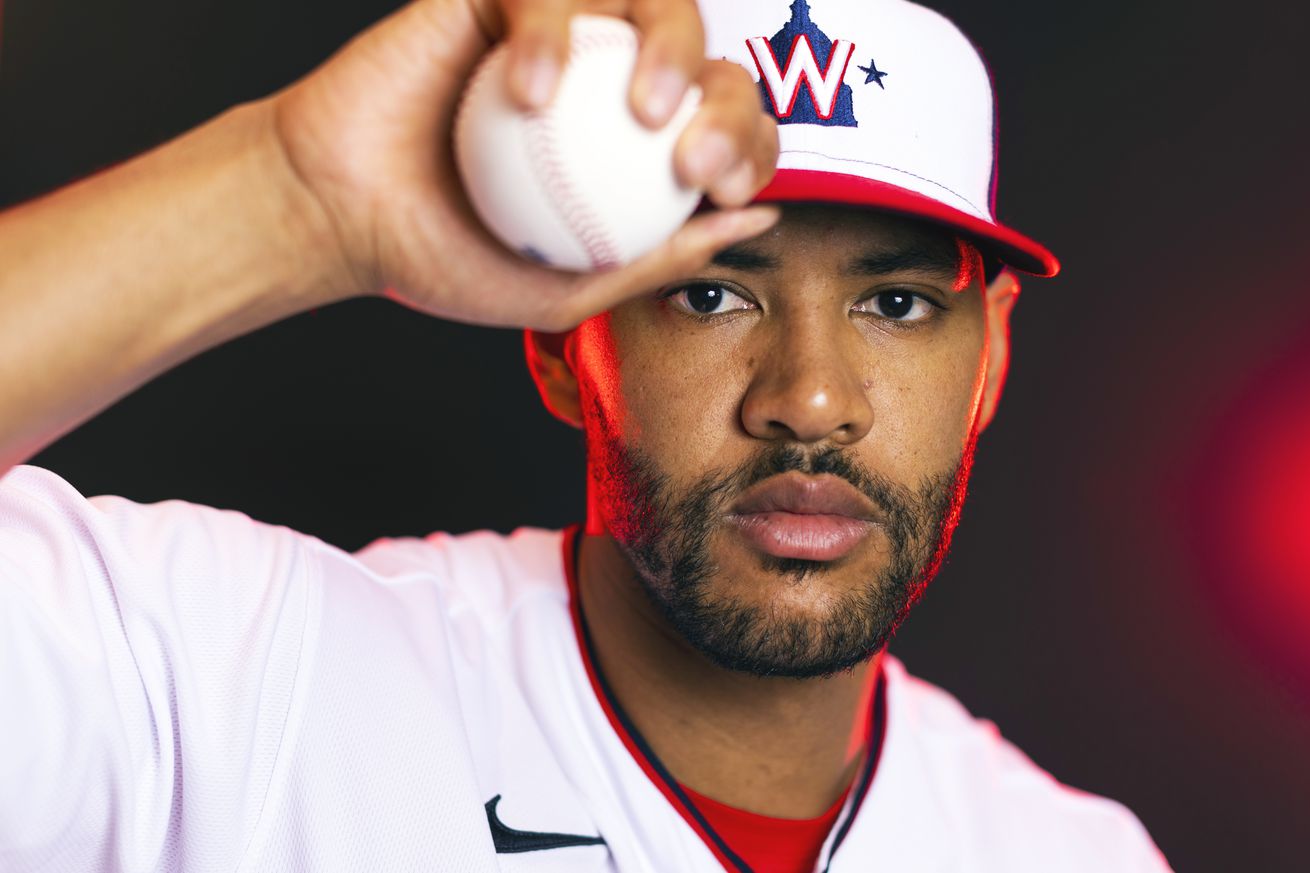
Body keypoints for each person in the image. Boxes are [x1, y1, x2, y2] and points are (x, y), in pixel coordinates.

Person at [0, 0, 1172, 870]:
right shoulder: (236, 683)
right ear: (563, 344)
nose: (810, 400)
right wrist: (291, 197)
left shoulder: (1067, 855)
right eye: (710, 292)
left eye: (896, 304)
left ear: (991, 357)